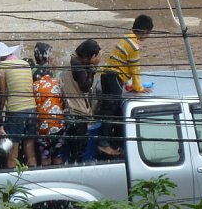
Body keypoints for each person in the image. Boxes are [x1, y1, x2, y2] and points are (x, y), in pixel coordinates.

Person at [100, 14, 154, 154]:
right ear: (144, 32)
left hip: (106, 75)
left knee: (114, 110)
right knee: (111, 110)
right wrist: (138, 88)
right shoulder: (134, 45)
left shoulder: (126, 38)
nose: (147, 37)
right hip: (114, 77)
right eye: (148, 33)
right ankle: (103, 142)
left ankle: (113, 142)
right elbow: (134, 68)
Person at [0, 41, 38, 168]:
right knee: (30, 150)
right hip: (32, 110)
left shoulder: (3, 65)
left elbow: (2, 93)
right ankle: (33, 177)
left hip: (17, 111)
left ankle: (12, 183)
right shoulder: (25, 64)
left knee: (13, 151)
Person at [60, 38, 102, 162]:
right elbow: (86, 86)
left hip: (68, 109)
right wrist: (93, 67)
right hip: (77, 112)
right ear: (89, 56)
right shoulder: (78, 65)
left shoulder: (70, 58)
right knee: (78, 149)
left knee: (71, 146)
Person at [32, 42, 66, 166]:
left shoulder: (34, 76)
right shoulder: (54, 79)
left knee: (44, 157)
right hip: (57, 125)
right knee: (58, 156)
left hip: (41, 126)